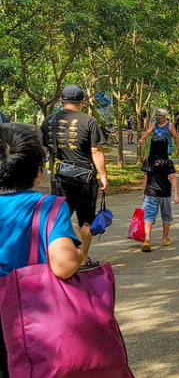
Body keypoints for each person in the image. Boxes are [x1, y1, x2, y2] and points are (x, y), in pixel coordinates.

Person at [0, 123, 87, 378]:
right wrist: (78, 248)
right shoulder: (48, 207)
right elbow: (63, 265)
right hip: (40, 332)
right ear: (39, 171)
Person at [41, 85, 107, 268]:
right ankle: (82, 259)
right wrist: (103, 175)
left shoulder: (48, 121)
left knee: (58, 217)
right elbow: (97, 151)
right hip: (84, 179)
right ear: (83, 102)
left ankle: (55, 258)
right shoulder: (89, 121)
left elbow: (42, 150)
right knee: (86, 220)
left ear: (61, 100)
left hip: (59, 178)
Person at [139, 138, 179, 252]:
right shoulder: (167, 161)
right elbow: (173, 177)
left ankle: (147, 239)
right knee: (166, 216)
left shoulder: (148, 160)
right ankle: (165, 239)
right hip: (165, 193)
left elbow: (145, 177)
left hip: (150, 193)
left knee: (148, 216)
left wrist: (143, 192)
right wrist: (176, 193)